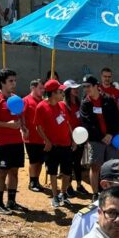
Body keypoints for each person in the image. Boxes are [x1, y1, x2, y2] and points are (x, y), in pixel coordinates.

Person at [0, 68, 25, 214]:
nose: (14, 84)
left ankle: (11, 202)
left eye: (15, 80)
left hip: (16, 141)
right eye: (10, 81)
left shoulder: (15, 98)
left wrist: (24, 127)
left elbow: (20, 115)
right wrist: (7, 125)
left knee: (14, 172)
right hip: (1, 143)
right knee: (2, 173)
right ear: (2, 82)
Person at [36, 79, 73, 208]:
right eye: (60, 91)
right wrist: (46, 141)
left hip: (66, 144)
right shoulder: (41, 107)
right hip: (53, 146)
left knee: (67, 172)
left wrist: (73, 139)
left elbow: (68, 123)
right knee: (52, 171)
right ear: (52, 93)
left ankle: (63, 193)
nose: (62, 93)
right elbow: (38, 127)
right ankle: (55, 196)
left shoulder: (62, 105)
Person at [23, 79, 46, 192]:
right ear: (33, 88)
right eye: (40, 88)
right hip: (31, 137)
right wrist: (24, 129)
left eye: (43, 88)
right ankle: (32, 182)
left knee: (40, 161)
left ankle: (36, 180)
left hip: (42, 137)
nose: (42, 90)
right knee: (33, 160)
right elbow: (21, 116)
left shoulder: (43, 101)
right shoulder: (26, 100)